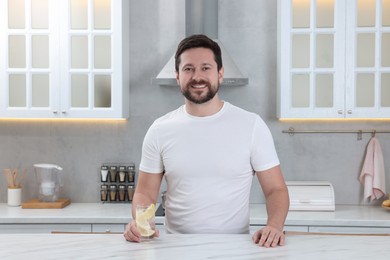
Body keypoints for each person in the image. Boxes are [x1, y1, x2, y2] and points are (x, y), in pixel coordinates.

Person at [123, 34, 289, 248]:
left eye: (205, 68)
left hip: (235, 249)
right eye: (188, 69)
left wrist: (274, 227)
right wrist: (141, 224)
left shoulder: (251, 126)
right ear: (177, 76)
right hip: (175, 249)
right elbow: (145, 192)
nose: (197, 76)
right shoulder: (159, 130)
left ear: (220, 74)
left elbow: (276, 189)